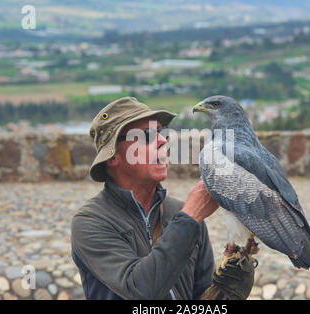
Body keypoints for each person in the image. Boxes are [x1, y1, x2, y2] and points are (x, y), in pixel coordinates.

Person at [71, 97, 255, 300]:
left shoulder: (180, 212)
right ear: (113, 156)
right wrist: (190, 218)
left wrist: (227, 292)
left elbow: (201, 297)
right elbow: (140, 290)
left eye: (161, 132)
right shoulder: (91, 222)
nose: (162, 140)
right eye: (147, 135)